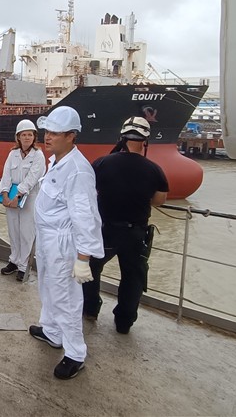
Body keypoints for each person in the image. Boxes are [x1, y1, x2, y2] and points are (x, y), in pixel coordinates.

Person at [28, 106, 104, 380]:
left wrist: (84, 258)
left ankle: (75, 353)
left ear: (71, 136)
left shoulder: (78, 171)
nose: (47, 137)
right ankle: (51, 332)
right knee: (47, 288)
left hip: (62, 243)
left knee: (66, 299)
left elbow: (86, 217)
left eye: (55, 133)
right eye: (46, 131)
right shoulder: (57, 161)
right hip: (49, 241)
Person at [82, 116, 168, 334]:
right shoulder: (154, 169)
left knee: (91, 269)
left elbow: (88, 190)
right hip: (135, 233)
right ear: (145, 140)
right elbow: (159, 200)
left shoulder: (101, 163)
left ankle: (90, 309)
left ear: (121, 137)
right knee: (132, 278)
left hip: (105, 230)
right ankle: (124, 322)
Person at [0, 119, 45, 281]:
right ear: (18, 137)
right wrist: (4, 194)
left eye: (30, 134)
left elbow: (32, 178)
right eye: (24, 135)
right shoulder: (13, 154)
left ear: (34, 137)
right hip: (11, 196)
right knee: (13, 231)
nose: (27, 138)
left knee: (26, 232)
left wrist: (18, 195)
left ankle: (23, 266)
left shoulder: (38, 155)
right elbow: (6, 175)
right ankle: (14, 261)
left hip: (29, 198)